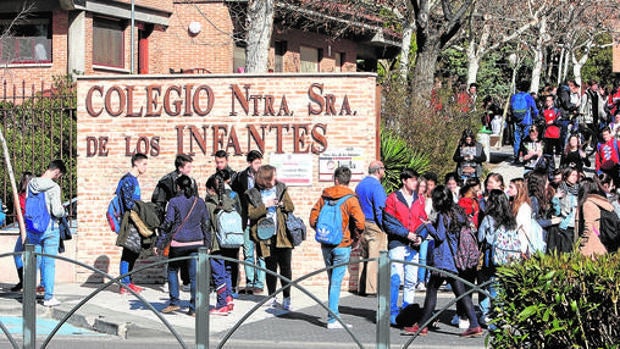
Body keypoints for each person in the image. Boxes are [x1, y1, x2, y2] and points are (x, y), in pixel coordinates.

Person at [401, 186, 483, 338]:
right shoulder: (458, 212)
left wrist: (427, 225)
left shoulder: (443, 215)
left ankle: (422, 326)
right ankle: (474, 324)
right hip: (455, 258)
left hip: (443, 260)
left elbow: (439, 236)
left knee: (431, 291)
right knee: (461, 293)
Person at [309, 166, 365, 329]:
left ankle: (333, 315)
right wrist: (355, 238)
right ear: (348, 180)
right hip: (343, 244)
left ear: (335, 179)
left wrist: (322, 231)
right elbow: (360, 223)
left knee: (331, 280)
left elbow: (313, 218)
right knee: (336, 282)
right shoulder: (351, 199)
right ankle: (332, 319)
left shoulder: (324, 196)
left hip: (326, 244)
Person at [156, 175, 210, 317]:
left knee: (172, 270)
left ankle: (174, 302)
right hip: (197, 242)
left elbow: (168, 223)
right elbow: (206, 224)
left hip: (179, 242)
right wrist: (208, 243)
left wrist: (159, 242)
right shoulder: (199, 202)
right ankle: (193, 308)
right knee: (194, 277)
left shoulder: (174, 201)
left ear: (178, 187)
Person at [382, 169, 427, 326]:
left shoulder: (420, 199)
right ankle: (393, 312)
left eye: (416, 180)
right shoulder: (392, 199)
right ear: (404, 180)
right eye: (413, 180)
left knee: (411, 280)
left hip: (413, 245)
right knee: (395, 278)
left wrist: (421, 237)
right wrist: (406, 233)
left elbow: (423, 221)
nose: (416, 183)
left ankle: (408, 310)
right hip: (398, 243)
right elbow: (388, 222)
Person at [247, 165, 295, 310]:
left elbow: (291, 206)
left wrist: (281, 204)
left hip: (282, 234)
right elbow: (251, 214)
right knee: (270, 268)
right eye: (272, 176)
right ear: (265, 179)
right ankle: (272, 296)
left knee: (286, 268)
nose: (275, 178)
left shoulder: (281, 188)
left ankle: (287, 297)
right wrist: (265, 206)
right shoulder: (253, 193)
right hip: (265, 236)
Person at [151, 154, 197, 293]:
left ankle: (186, 281)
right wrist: (163, 223)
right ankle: (168, 280)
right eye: (188, 166)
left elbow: (195, 201)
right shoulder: (166, 181)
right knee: (170, 253)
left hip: (187, 223)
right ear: (180, 167)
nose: (190, 169)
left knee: (186, 251)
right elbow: (158, 203)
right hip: (171, 223)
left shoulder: (192, 181)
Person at [27, 160, 67, 306]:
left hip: (33, 228)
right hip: (50, 229)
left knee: (33, 261)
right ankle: (48, 297)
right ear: (57, 171)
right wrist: (64, 211)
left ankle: (29, 294)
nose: (58, 178)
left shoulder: (31, 184)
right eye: (59, 175)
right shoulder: (54, 187)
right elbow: (56, 211)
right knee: (49, 262)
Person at [477, 189, 517, 326]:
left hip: (492, 257)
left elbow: (481, 237)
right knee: (501, 286)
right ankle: (503, 314)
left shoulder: (488, 218)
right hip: (508, 257)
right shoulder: (510, 218)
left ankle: (490, 315)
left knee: (488, 286)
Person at [204, 175, 240, 315]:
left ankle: (221, 304)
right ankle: (229, 299)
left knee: (218, 273)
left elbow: (208, 226)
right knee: (227, 271)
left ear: (211, 190)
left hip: (217, 243)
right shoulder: (230, 202)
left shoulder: (209, 205)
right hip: (231, 242)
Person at [230, 150, 265, 294]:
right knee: (248, 253)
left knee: (261, 253)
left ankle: (259, 283)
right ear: (250, 163)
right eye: (256, 163)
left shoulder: (265, 176)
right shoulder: (241, 177)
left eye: (260, 162)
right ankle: (250, 282)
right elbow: (235, 195)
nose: (258, 165)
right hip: (246, 220)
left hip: (261, 220)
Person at [115, 153, 148, 294]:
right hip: (129, 221)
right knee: (128, 251)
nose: (145, 167)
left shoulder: (134, 180)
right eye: (144, 164)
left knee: (133, 252)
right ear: (136, 163)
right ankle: (125, 284)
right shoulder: (128, 180)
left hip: (134, 219)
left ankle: (128, 281)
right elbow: (128, 203)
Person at [355, 160, 387, 297]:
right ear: (378, 170)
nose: (384, 172)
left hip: (362, 223)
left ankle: (361, 286)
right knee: (375, 256)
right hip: (374, 224)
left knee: (364, 256)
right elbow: (380, 209)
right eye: (383, 169)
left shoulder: (359, 185)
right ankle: (371, 288)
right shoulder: (377, 186)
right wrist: (384, 227)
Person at [576, 177, 612, 258]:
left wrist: (582, 243)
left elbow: (588, 226)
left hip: (592, 242)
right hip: (601, 241)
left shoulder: (588, 204)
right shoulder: (601, 201)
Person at [10, 171, 34, 292]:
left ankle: (25, 282)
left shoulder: (22, 197)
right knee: (22, 255)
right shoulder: (33, 195)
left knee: (19, 255)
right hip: (31, 229)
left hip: (29, 229)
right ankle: (24, 281)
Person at [551, 167, 580, 253]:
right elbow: (557, 210)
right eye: (572, 175)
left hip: (575, 224)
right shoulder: (561, 189)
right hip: (564, 224)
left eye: (576, 175)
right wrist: (555, 198)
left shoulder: (579, 189)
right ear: (566, 176)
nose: (575, 177)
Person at [510, 81, 539, 164]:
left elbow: (511, 108)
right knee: (526, 139)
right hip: (527, 120)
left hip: (516, 121)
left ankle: (516, 157)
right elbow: (534, 109)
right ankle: (525, 157)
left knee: (517, 139)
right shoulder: (529, 97)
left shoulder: (514, 97)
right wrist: (535, 117)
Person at [506, 178, 532, 256]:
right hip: (513, 243)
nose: (508, 189)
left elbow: (515, 225)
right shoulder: (514, 204)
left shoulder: (524, 207)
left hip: (519, 246)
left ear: (519, 189)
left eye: (511, 187)